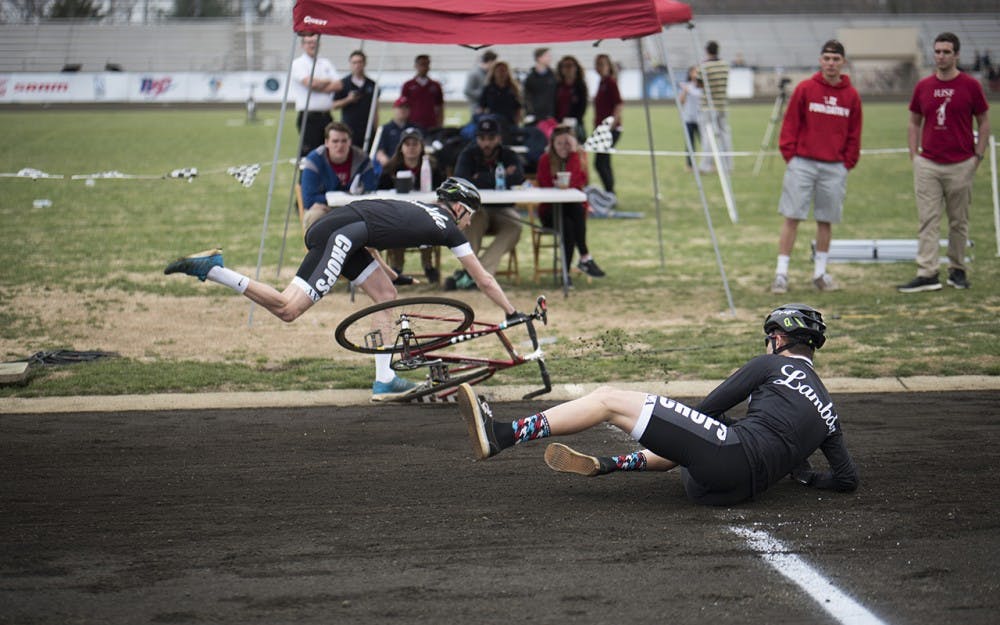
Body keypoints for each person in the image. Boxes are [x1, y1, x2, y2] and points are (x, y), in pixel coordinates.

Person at [458, 303, 859, 507]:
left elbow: (708, 408)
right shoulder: (829, 409)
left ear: (778, 339)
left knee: (609, 398)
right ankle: (610, 464)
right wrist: (803, 476)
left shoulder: (770, 365)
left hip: (721, 465)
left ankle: (503, 435)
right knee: (702, 435)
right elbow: (846, 479)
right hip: (728, 493)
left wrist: (674, 431)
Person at [165, 178, 524, 400]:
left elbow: (374, 235)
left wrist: (390, 274)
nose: (471, 221)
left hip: (346, 229)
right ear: (459, 207)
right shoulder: (448, 226)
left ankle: (385, 380)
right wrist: (511, 312)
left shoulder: (421, 208)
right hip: (344, 234)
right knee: (288, 309)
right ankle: (215, 271)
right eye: (471, 214)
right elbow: (483, 278)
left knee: (386, 295)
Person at [897, 32, 991, 293]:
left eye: (946, 51)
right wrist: (914, 154)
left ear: (957, 54)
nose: (941, 56)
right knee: (928, 220)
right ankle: (927, 273)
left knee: (958, 221)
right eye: (937, 51)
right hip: (928, 163)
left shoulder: (970, 86)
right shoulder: (923, 86)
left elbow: (983, 122)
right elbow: (914, 120)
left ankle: (958, 270)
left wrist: (978, 156)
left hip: (961, 163)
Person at [769, 40, 863, 295]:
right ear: (820, 60)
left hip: (834, 167)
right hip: (802, 163)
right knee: (792, 217)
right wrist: (791, 155)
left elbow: (855, 133)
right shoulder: (805, 89)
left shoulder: (851, 95)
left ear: (842, 62)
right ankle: (781, 273)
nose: (831, 64)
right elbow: (790, 124)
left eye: (836, 59)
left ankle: (820, 273)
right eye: (827, 59)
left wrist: (847, 163)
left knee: (826, 220)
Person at [452, 116, 525, 289]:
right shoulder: (468, 155)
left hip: (503, 209)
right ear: (477, 139)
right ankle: (477, 274)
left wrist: (480, 178)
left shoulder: (508, 154)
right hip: (478, 209)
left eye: (491, 138)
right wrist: (500, 176)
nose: (486, 143)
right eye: (482, 138)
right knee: (473, 219)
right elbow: (462, 182)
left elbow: (519, 177)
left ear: (499, 138)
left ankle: (477, 273)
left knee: (516, 225)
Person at [377, 127, 447, 285]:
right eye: (407, 144)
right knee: (395, 225)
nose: (411, 148)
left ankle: (428, 264)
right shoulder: (390, 169)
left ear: (421, 146)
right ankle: (396, 266)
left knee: (430, 222)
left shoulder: (434, 166)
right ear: (401, 147)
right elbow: (380, 192)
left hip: (425, 212)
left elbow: (442, 192)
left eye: (415, 144)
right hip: (397, 213)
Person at [535, 125, 605, 280]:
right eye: (559, 143)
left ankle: (567, 274)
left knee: (569, 223)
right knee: (572, 217)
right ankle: (584, 257)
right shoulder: (545, 160)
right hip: (550, 211)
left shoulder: (578, 157)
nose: (563, 147)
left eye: (568, 143)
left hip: (572, 212)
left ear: (574, 144)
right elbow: (544, 186)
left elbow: (577, 183)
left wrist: (573, 155)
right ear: (552, 144)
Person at [299, 122, 378, 230]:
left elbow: (370, 189)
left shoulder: (362, 159)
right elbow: (308, 199)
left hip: (356, 210)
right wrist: (345, 196)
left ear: (350, 142)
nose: (340, 145)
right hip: (326, 210)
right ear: (326, 142)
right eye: (335, 141)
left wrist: (329, 198)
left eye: (344, 141)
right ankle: (320, 247)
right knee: (315, 216)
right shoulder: (314, 161)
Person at [290, 34, 343, 156]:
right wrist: (327, 81)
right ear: (303, 45)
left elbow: (339, 85)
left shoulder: (325, 63)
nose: (312, 45)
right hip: (309, 117)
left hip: (326, 116)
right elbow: (310, 83)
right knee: (310, 154)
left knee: (330, 152)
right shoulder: (298, 64)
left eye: (315, 42)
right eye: (309, 42)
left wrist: (317, 85)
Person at [332, 50, 378, 150]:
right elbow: (334, 105)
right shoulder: (343, 83)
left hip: (367, 129)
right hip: (349, 128)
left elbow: (375, 109)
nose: (357, 65)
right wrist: (348, 99)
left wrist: (375, 128)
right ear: (350, 64)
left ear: (365, 63)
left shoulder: (372, 84)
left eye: (360, 62)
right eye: (354, 62)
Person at [699, 40, 732, 173]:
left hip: (708, 106)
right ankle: (728, 165)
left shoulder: (704, 66)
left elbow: (699, 84)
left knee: (708, 136)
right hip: (722, 104)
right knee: (725, 135)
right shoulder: (725, 65)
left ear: (707, 51)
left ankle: (705, 165)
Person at [593, 54, 623, 196]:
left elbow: (619, 104)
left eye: (602, 64)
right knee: (604, 161)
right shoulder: (602, 82)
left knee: (600, 163)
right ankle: (610, 192)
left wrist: (611, 124)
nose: (599, 67)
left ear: (608, 66)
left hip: (609, 129)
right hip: (601, 128)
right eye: (597, 64)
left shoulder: (610, 82)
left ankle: (610, 192)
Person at [478, 61, 523, 137]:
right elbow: (482, 107)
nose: (501, 74)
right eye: (499, 71)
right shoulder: (488, 89)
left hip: (509, 122)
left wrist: (517, 122)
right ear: (494, 73)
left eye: (504, 71)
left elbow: (518, 108)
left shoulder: (512, 89)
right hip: (493, 121)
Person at [400, 54, 444, 131]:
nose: (424, 67)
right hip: (413, 124)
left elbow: (440, 106)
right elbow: (403, 106)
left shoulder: (435, 85)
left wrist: (440, 123)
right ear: (415, 66)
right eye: (422, 64)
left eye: (427, 64)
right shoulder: (408, 85)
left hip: (431, 124)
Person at [374, 97, 419, 168]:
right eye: (400, 107)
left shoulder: (415, 128)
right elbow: (380, 152)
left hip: (411, 164)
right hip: (391, 165)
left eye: (406, 108)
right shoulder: (385, 129)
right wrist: (387, 163)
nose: (403, 110)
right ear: (394, 109)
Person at [554, 55, 588, 144]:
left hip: (575, 124)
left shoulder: (580, 86)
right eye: (565, 66)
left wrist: (572, 121)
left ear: (576, 68)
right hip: (558, 124)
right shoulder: (557, 85)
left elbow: (582, 107)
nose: (568, 69)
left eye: (570, 66)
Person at [522, 47, 557, 123]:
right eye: (547, 56)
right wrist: (529, 113)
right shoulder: (530, 78)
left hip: (551, 116)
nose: (550, 58)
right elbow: (526, 97)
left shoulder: (553, 76)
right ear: (539, 58)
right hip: (535, 117)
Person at [678, 66, 703, 171]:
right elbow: (681, 101)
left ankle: (709, 163)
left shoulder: (702, 87)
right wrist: (684, 91)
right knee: (690, 143)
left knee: (705, 142)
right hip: (688, 119)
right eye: (693, 72)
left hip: (701, 118)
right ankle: (689, 165)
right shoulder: (687, 86)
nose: (695, 74)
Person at [464, 50, 498, 120]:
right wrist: (485, 96)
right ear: (490, 61)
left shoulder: (489, 73)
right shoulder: (474, 73)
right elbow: (467, 91)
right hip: (477, 108)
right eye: (495, 62)